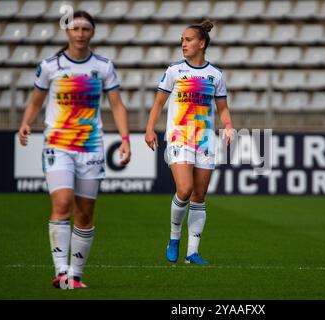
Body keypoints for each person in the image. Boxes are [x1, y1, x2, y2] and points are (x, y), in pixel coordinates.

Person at [18, 11, 131, 288]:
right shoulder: (50, 66)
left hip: (91, 147)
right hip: (58, 144)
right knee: (63, 203)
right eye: (75, 28)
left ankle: (76, 275)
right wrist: (25, 123)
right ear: (67, 32)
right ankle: (61, 272)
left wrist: (126, 139)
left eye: (85, 29)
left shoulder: (103, 66)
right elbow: (35, 101)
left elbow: (116, 105)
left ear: (92, 33)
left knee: (85, 214)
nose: (80, 33)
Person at [145, 20, 234, 265]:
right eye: (182, 40)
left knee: (199, 196)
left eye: (188, 40)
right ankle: (174, 238)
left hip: (205, 140)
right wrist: (150, 129)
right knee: (184, 190)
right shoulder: (174, 71)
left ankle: (192, 252)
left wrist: (228, 127)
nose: (183, 44)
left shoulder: (215, 74)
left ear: (201, 43)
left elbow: (223, 108)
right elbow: (158, 104)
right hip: (178, 137)